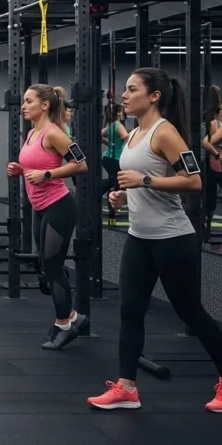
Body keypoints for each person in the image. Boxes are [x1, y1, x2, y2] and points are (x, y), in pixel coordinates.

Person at [88, 68, 222, 412]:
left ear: (154, 96)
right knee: (129, 310)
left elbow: (194, 182)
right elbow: (137, 180)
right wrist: (122, 195)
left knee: (190, 312)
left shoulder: (165, 133)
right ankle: (126, 387)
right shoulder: (133, 133)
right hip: (139, 237)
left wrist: (144, 181)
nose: (124, 95)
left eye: (132, 90)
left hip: (172, 238)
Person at [7, 85, 89, 350]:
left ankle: (63, 324)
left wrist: (47, 175)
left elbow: (82, 164)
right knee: (45, 266)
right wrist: (21, 170)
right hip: (40, 207)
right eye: (23, 101)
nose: (23, 105)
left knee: (53, 268)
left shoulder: (54, 132)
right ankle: (75, 316)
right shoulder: (32, 133)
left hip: (60, 206)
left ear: (45, 105)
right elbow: (39, 164)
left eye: (28, 101)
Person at [201, 87, 222, 234]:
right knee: (210, 197)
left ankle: (206, 226)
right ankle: (206, 226)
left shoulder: (206, 118)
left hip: (208, 163)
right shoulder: (215, 123)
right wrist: (217, 155)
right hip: (215, 163)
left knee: (209, 197)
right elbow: (207, 142)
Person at [102, 103, 128, 195]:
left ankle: (112, 203)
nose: (123, 114)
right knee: (121, 182)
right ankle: (100, 190)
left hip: (107, 158)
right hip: (116, 159)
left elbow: (100, 135)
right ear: (119, 113)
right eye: (122, 112)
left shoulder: (111, 125)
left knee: (115, 181)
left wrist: (110, 144)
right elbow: (128, 138)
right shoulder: (119, 126)